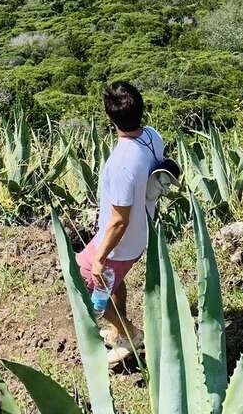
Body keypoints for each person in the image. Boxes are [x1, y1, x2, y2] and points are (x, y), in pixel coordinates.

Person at [75, 80, 164, 365]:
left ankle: (130, 335)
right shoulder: (152, 136)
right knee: (114, 281)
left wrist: (100, 256)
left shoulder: (121, 162)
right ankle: (118, 329)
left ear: (110, 117)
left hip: (120, 244)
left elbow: (118, 221)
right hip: (141, 233)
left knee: (84, 282)